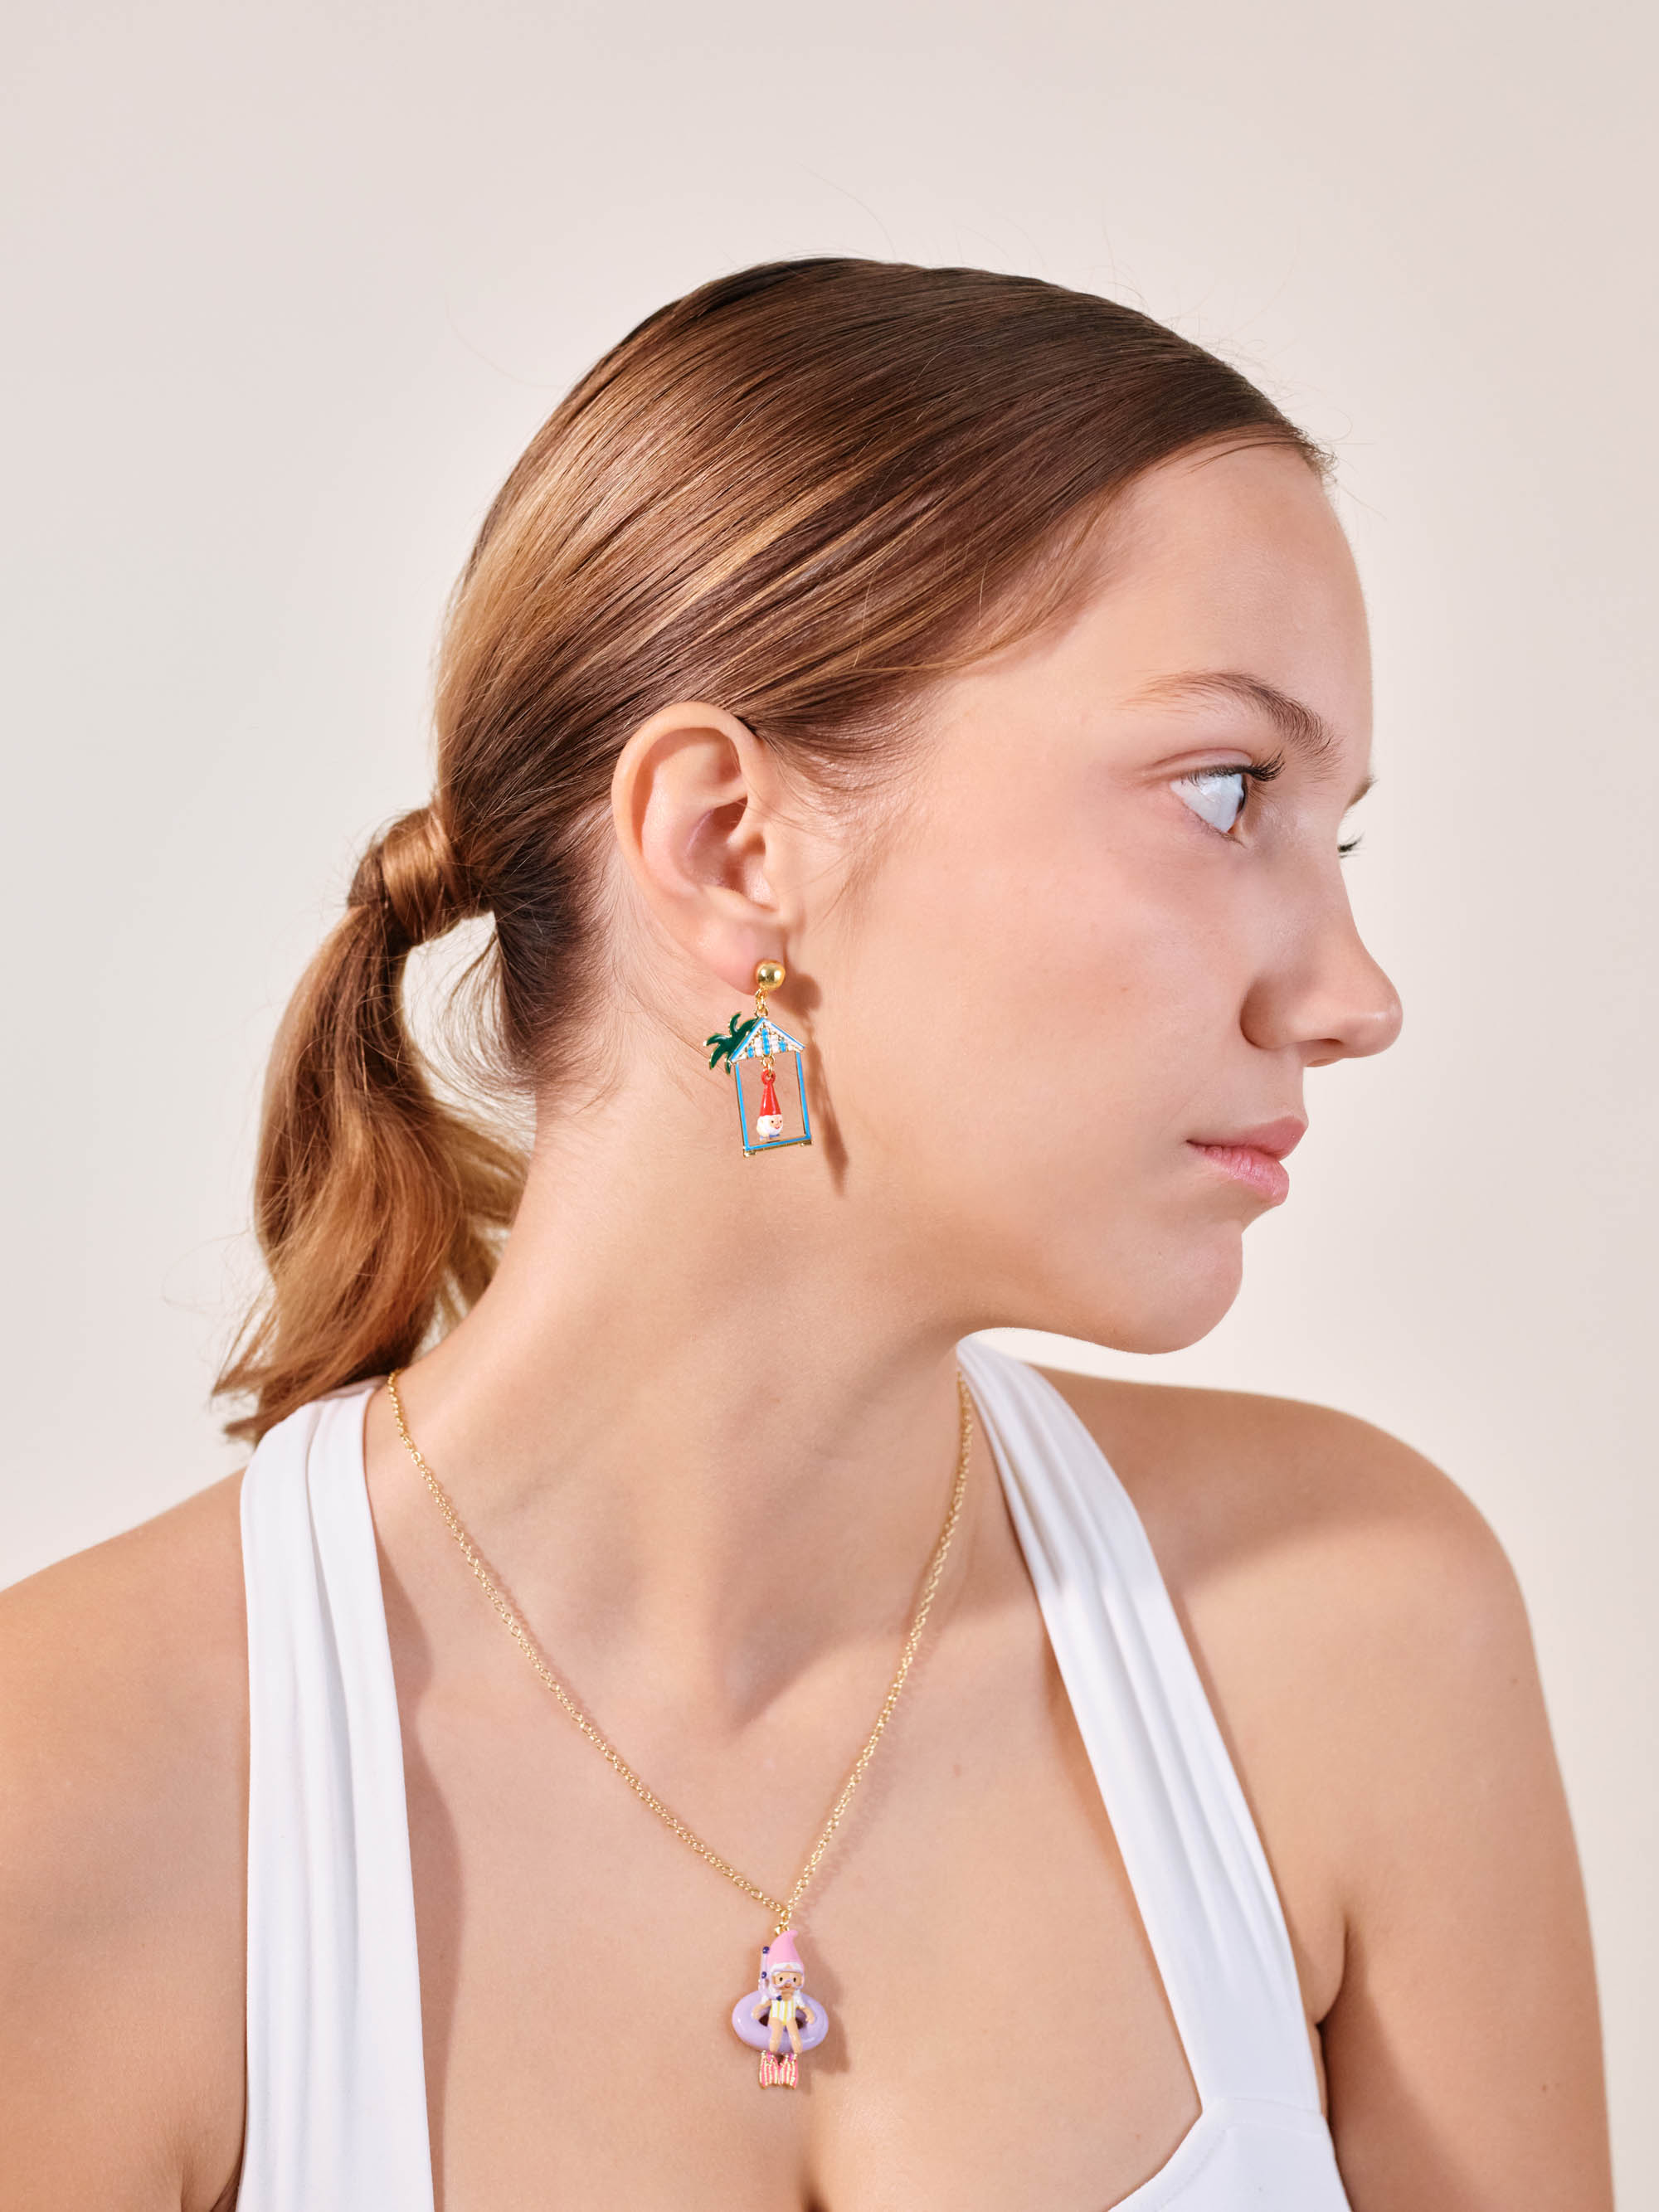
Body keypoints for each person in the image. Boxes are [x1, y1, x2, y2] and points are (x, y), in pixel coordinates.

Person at [0, 258, 1612, 2210]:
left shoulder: (1353, 1633)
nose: (1354, 996)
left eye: (1330, 834)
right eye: (1223, 789)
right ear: (729, 847)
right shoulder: (71, 1797)